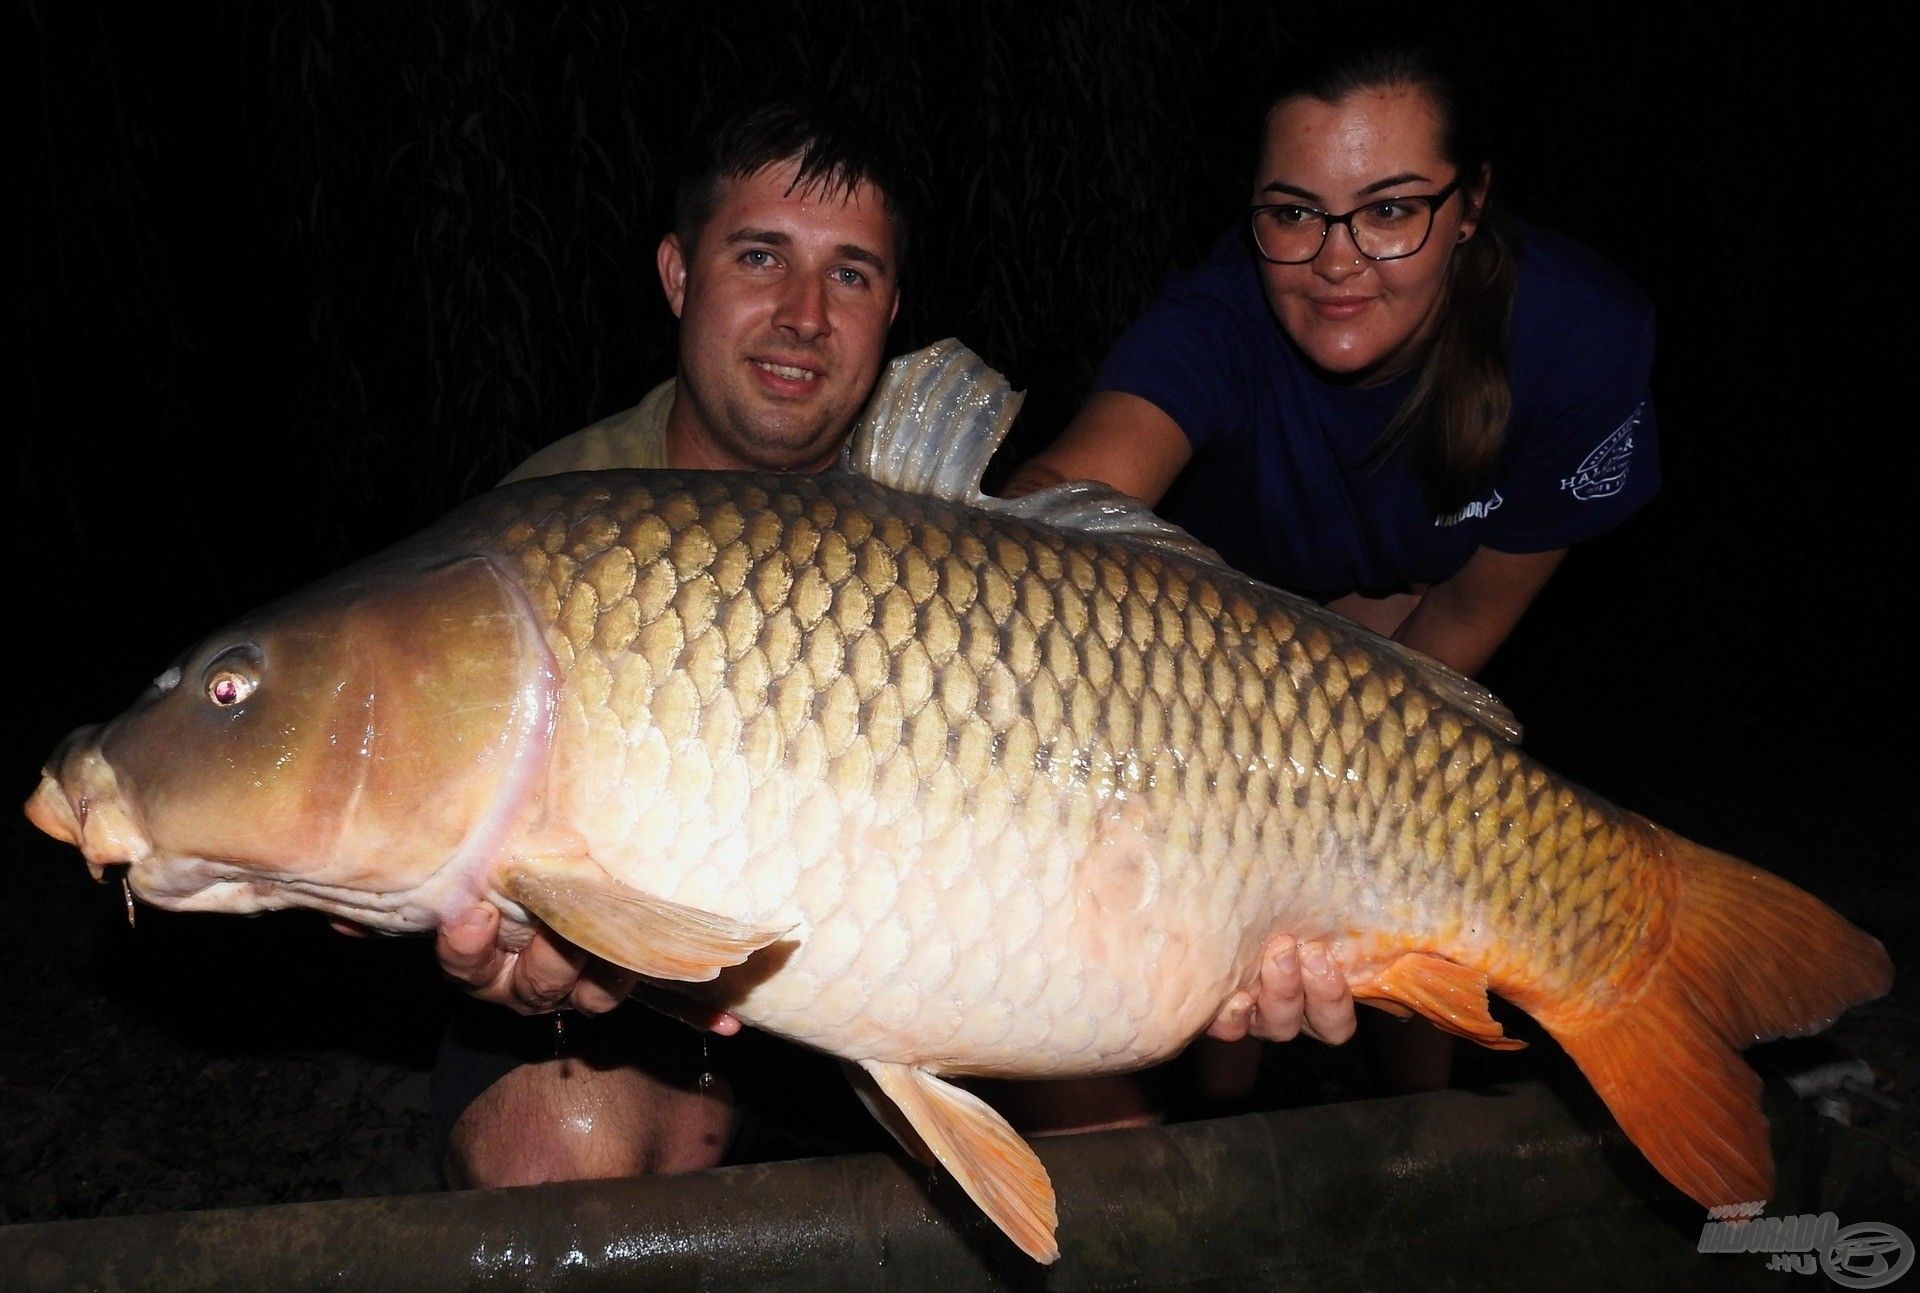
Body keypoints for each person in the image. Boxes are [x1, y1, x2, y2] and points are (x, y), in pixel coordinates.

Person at [419, 99, 1358, 1190]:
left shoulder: (951, 534)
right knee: (553, 1150)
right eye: (761, 256)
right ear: (680, 276)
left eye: (852, 275)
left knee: (1126, 1178)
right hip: (656, 1016)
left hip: (943, 964)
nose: (804, 313)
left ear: (893, 310)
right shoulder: (553, 530)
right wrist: (517, 960)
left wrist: (1236, 929)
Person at [1002, 40, 1660, 1097]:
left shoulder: (1576, 338)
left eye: (1391, 210)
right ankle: (1225, 1154)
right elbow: (1067, 502)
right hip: (1210, 671)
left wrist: (1360, 835)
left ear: (1471, 202)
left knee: (1427, 910)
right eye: (1292, 212)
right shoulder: (1215, 321)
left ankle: (1425, 1138)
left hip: (1421, 626)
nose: (1336, 259)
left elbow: (1462, 620)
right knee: (1232, 999)